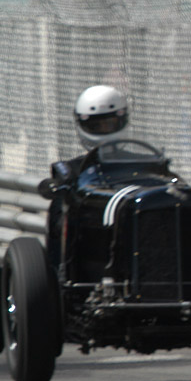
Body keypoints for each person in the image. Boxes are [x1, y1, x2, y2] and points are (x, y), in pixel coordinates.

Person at [42, 85, 131, 265]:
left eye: (110, 124)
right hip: (91, 246)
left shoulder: (144, 163)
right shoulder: (71, 170)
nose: (105, 130)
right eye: (97, 126)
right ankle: (61, 270)